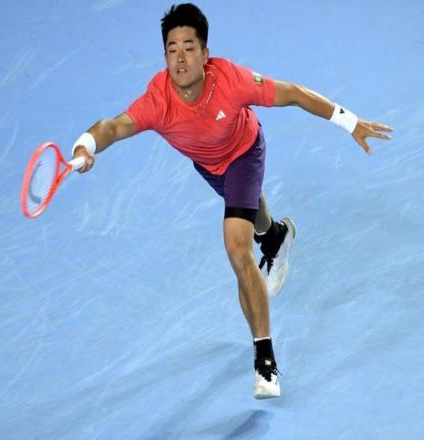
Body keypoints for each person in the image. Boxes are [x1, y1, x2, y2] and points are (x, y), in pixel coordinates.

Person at [71, 3, 392, 399]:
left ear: (205, 54)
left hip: (244, 153)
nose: (180, 57)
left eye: (189, 47)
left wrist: (350, 121)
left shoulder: (231, 80)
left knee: (237, 248)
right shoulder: (158, 100)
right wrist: (86, 146)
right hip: (209, 164)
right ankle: (275, 236)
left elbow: (292, 94)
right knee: (251, 214)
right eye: (172, 49)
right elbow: (113, 127)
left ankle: (265, 359)